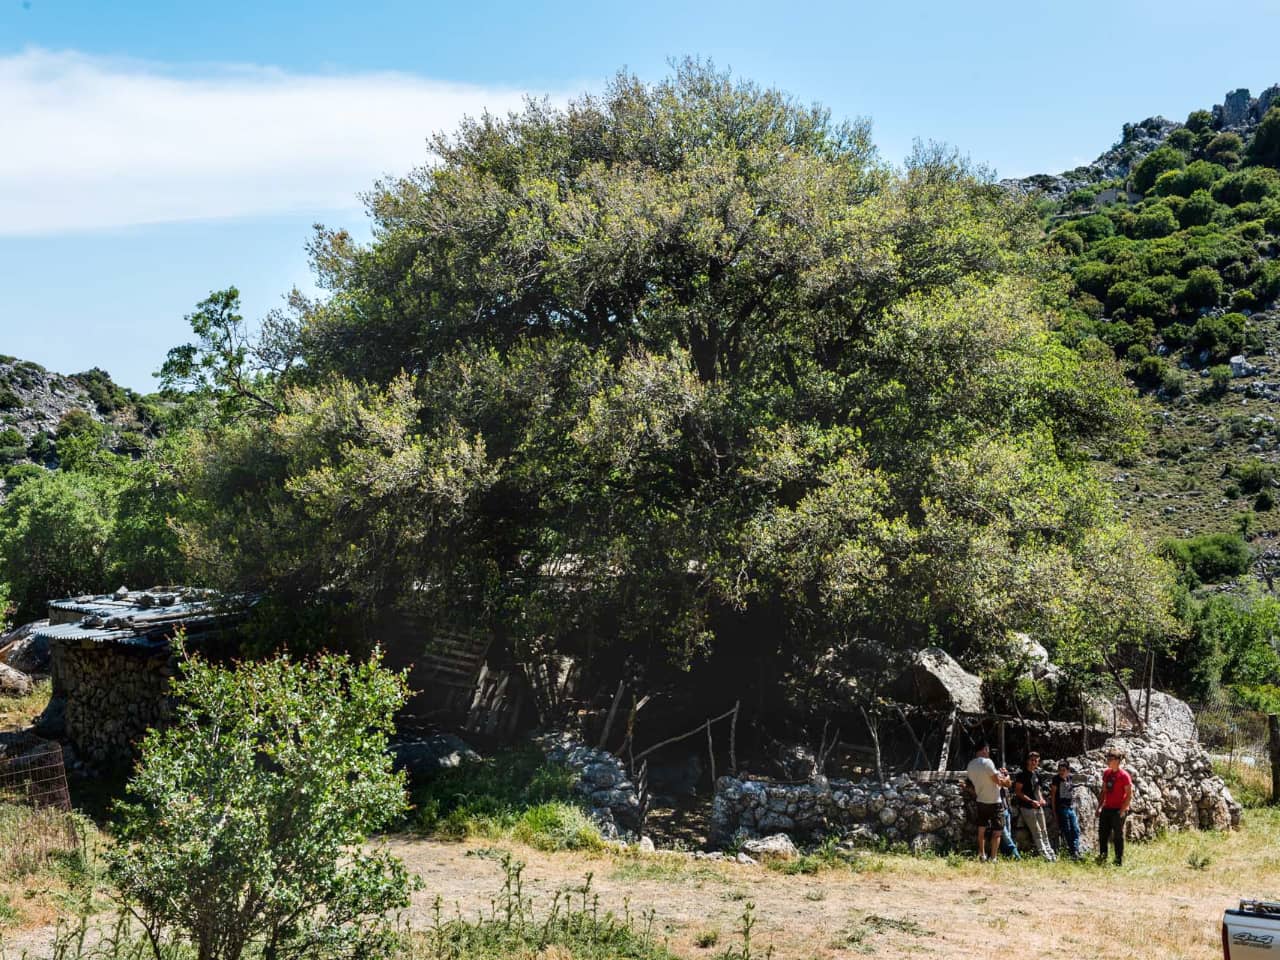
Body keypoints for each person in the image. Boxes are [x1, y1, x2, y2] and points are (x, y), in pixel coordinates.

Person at [966, 742, 1011, 861]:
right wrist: (1007, 778)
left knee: (981, 829)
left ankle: (982, 854)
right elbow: (999, 782)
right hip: (995, 801)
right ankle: (993, 857)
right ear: (985, 749)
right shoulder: (987, 762)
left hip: (981, 800)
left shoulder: (970, 765)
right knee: (997, 831)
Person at [1013, 751, 1056, 861]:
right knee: (1036, 832)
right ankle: (1045, 856)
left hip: (1038, 806)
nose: (1034, 762)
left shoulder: (1036, 774)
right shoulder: (1022, 775)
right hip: (1027, 807)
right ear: (1028, 761)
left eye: (1036, 761)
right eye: (1032, 760)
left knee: (1044, 830)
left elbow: (1037, 789)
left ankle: (1051, 854)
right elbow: (1018, 792)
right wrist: (1031, 801)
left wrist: (1041, 799)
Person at [1097, 748, 1133, 866]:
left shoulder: (1124, 775)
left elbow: (1129, 795)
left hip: (1118, 810)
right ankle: (1103, 858)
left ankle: (1118, 860)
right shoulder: (1106, 773)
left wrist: (1122, 811)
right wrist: (1099, 807)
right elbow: (1103, 791)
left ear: (1117, 760)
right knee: (1103, 834)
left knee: (1118, 835)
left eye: (1111, 759)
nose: (1108, 761)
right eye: (1107, 758)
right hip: (1107, 808)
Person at [1050, 760, 1082, 860]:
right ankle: (1072, 852)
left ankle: (1076, 850)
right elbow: (1053, 796)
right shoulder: (1056, 780)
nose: (1061, 772)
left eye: (1064, 770)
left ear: (1068, 770)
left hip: (1070, 807)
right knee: (1067, 829)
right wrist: (1054, 811)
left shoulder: (1069, 778)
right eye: (1060, 770)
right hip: (1061, 808)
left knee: (1076, 829)